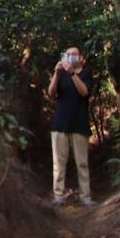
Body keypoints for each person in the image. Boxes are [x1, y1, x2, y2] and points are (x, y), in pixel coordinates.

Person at [48, 46, 95, 206]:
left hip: (79, 123)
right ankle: (58, 195)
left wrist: (72, 73)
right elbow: (51, 93)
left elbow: (84, 92)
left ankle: (85, 197)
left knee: (82, 163)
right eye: (68, 54)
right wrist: (56, 72)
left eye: (74, 54)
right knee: (58, 164)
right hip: (60, 123)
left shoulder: (86, 72)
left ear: (80, 57)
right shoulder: (60, 73)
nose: (71, 57)